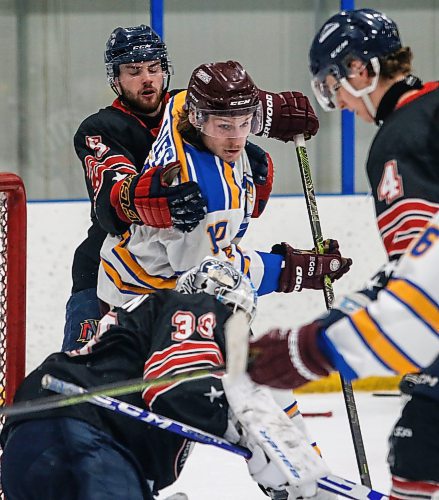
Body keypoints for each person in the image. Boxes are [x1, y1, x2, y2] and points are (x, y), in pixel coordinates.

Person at [247, 8, 439, 499]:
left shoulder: (402, 136)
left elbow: (422, 283)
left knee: (417, 449)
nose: (342, 105)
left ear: (359, 69)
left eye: (333, 88)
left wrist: (317, 344)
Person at [65, 24, 321, 352]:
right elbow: (113, 197)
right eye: (133, 71)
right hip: (113, 273)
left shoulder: (191, 110)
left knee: (212, 380)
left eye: (154, 69)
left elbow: (233, 105)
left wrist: (269, 114)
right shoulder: (101, 128)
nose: (147, 79)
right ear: (115, 79)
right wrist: (148, 198)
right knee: (85, 375)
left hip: (188, 269)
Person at [0, 258, 320, 500]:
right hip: (84, 440)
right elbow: (173, 387)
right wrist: (248, 434)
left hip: (27, 450)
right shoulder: (197, 306)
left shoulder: (151, 326)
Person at [97, 59, 351, 311]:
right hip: (143, 300)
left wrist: (270, 111)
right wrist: (293, 269)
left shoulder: (177, 110)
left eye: (246, 123)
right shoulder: (205, 196)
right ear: (198, 118)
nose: (236, 140)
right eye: (224, 126)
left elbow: (200, 95)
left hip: (133, 266)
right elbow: (210, 278)